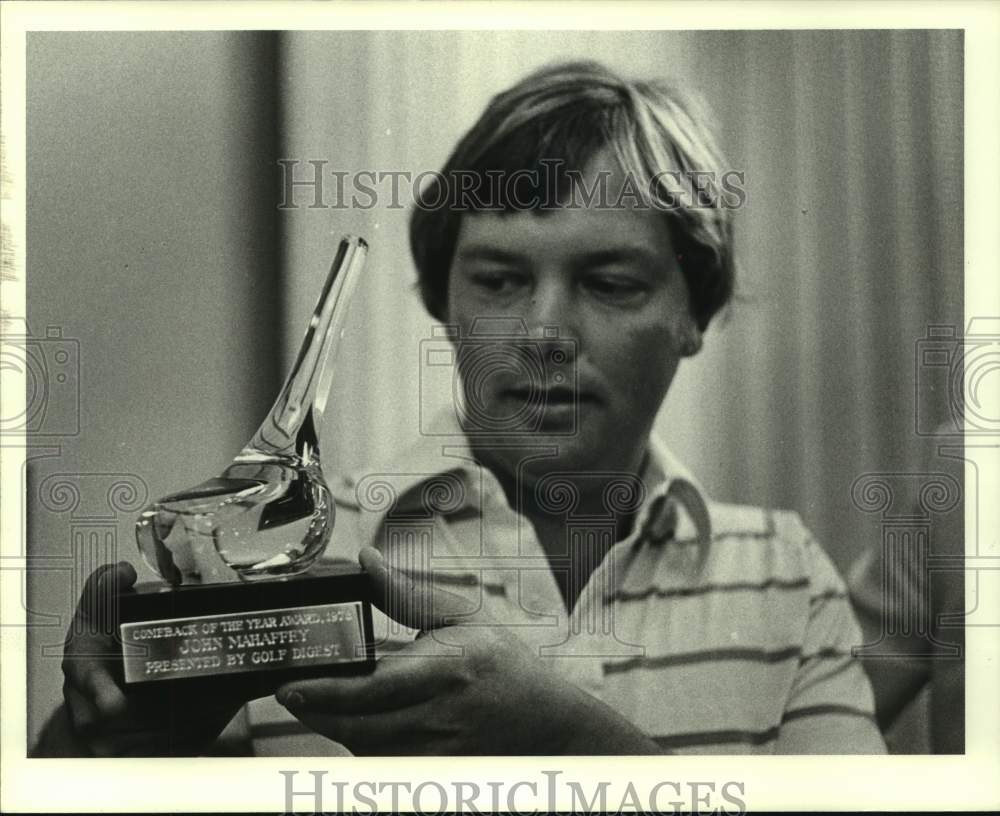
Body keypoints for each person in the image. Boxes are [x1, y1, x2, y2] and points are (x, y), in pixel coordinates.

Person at [40, 60, 886, 756]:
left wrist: (565, 743)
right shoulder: (281, 567)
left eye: (609, 282)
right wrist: (96, 747)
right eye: (499, 280)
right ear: (445, 303)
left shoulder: (786, 574)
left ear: (694, 314)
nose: (546, 333)